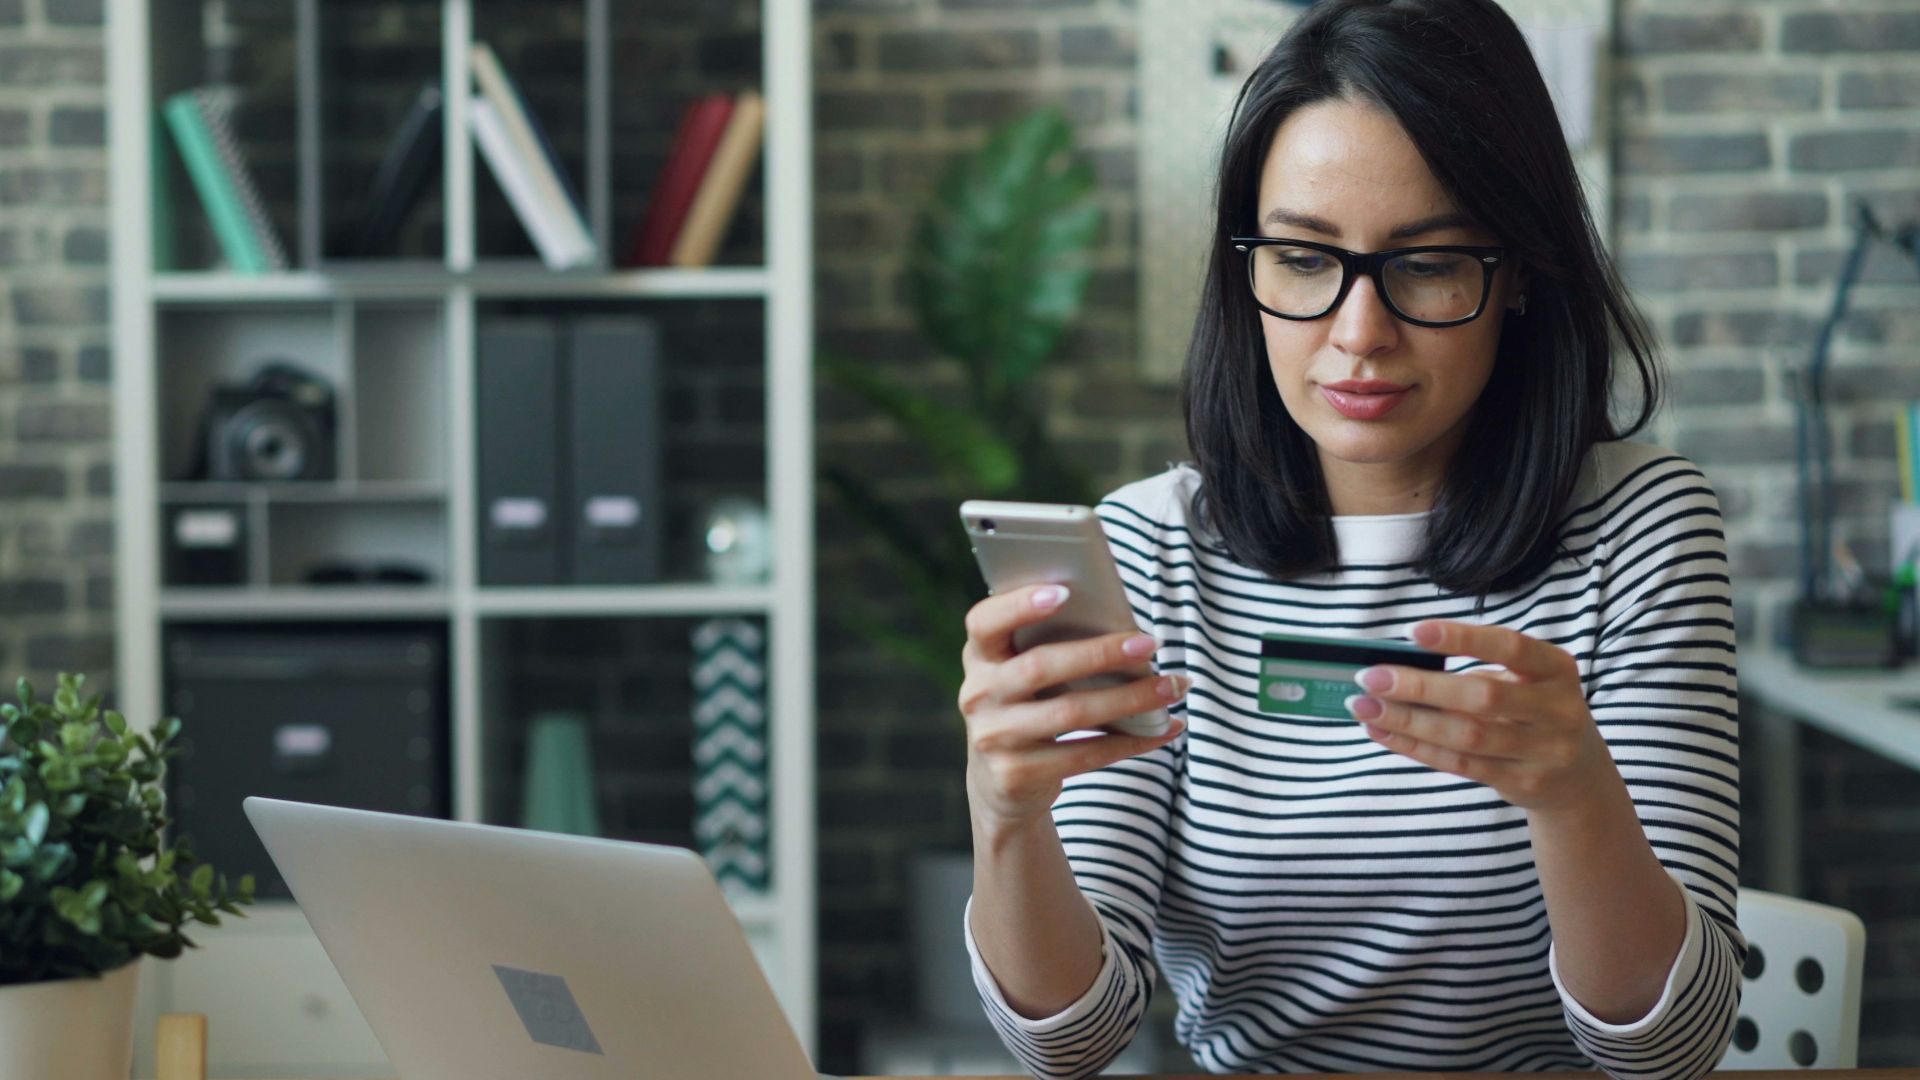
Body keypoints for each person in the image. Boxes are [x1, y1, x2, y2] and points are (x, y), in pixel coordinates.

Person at [955, 1, 1743, 1076]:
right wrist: (1005, 814)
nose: (1358, 335)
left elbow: (1675, 1051)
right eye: (1303, 259)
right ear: (1247, 270)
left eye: (1426, 266)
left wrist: (1574, 796)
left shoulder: (1640, 527)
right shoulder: (1150, 549)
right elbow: (1072, 1041)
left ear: (1516, 274)